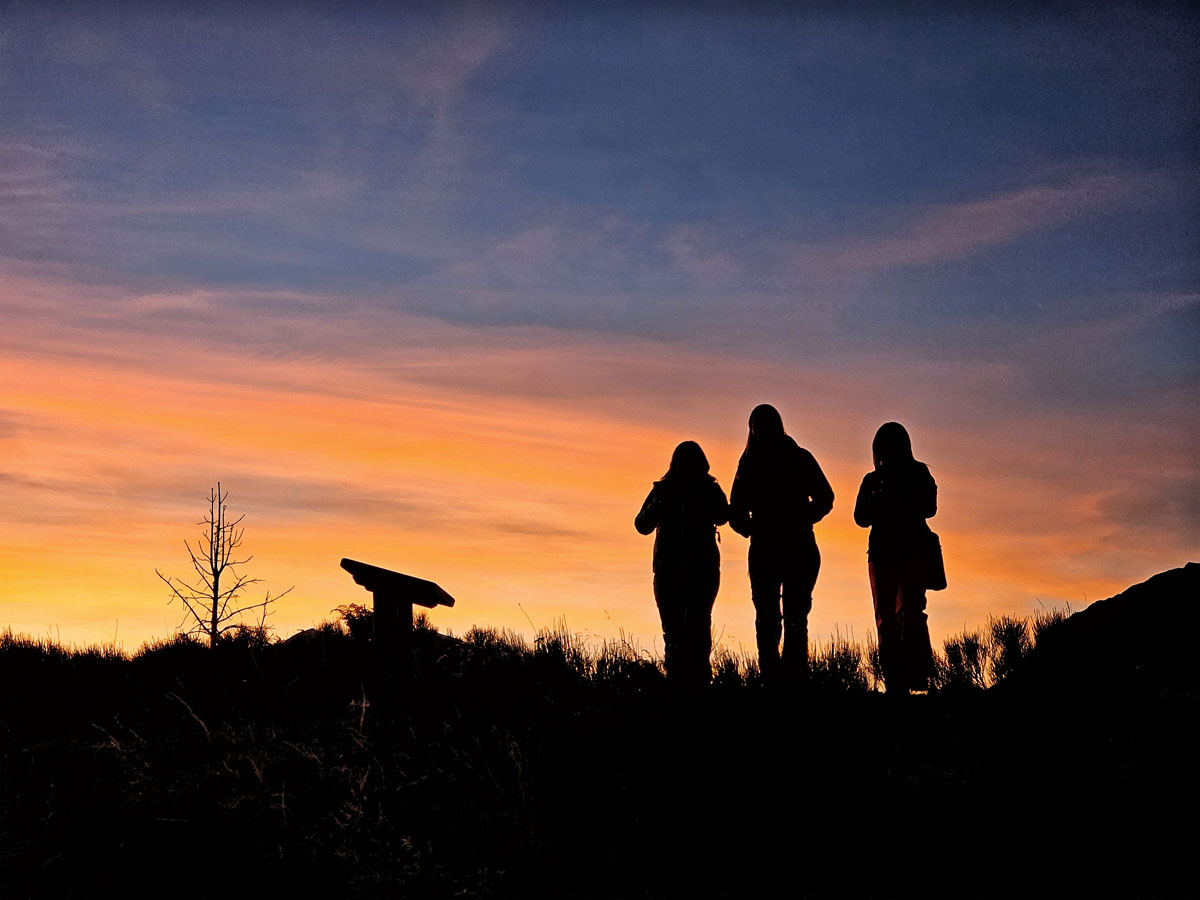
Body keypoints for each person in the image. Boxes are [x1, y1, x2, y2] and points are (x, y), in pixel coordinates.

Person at [728, 404, 834, 683]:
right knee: (779, 617)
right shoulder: (756, 463)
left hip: (785, 546)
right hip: (781, 547)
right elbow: (735, 510)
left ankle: (781, 680)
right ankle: (780, 680)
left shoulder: (764, 462)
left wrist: (797, 520)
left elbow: (826, 497)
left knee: (784, 617)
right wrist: (752, 527)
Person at [635, 440, 729, 687]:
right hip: (673, 570)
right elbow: (641, 524)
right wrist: (659, 505)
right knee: (679, 628)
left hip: (697, 570)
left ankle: (695, 682)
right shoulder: (664, 490)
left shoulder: (708, 489)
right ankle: (681, 682)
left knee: (695, 625)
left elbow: (723, 515)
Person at [853, 422, 937, 695]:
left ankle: (912, 678)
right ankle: (897, 681)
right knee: (892, 617)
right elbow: (860, 517)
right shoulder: (874, 480)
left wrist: (894, 499)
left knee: (907, 614)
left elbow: (929, 507)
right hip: (885, 554)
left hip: (908, 552)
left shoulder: (915, 472)